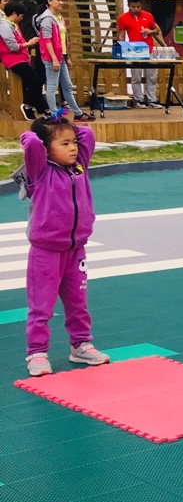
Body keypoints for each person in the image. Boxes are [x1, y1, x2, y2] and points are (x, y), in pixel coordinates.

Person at [21, 116, 108, 376]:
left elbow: (88, 134)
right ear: (46, 150)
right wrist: (40, 130)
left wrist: (62, 123)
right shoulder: (39, 170)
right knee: (41, 306)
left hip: (75, 250)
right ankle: (37, 352)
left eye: (73, 142)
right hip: (46, 251)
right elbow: (31, 143)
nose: (73, 148)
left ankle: (80, 345)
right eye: (64, 143)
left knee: (78, 303)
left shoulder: (79, 165)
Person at [36, 0, 87, 119]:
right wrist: (54, 58)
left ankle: (77, 113)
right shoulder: (47, 19)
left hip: (61, 56)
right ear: (49, 1)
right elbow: (47, 40)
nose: (61, 3)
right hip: (51, 57)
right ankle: (54, 114)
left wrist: (67, 56)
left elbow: (63, 39)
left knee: (67, 86)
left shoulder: (59, 17)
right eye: (58, 0)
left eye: (62, 0)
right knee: (52, 86)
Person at [117, 0, 163, 109]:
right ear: (128, 6)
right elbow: (121, 34)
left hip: (149, 49)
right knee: (136, 77)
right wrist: (121, 48)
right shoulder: (123, 18)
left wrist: (149, 31)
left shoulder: (148, 15)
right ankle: (139, 100)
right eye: (133, 7)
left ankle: (152, 99)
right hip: (134, 51)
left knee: (151, 76)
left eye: (138, 6)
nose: (136, 9)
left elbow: (157, 30)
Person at [1, 3, 45, 120]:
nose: (22, 18)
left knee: (29, 83)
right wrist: (29, 43)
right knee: (36, 81)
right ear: (14, 13)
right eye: (21, 15)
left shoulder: (13, 26)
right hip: (13, 60)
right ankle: (28, 105)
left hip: (20, 58)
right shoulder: (4, 26)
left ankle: (41, 109)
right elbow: (13, 47)